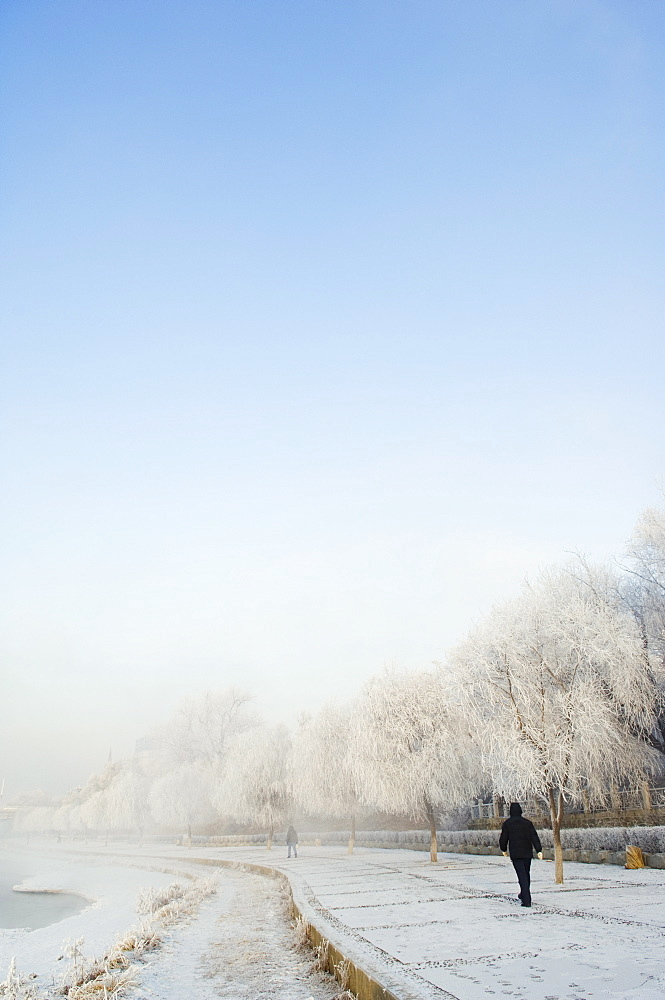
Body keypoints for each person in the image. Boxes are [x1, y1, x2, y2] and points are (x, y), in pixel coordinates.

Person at [499, 802, 543, 907]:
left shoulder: (507, 824)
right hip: (527, 853)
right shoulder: (527, 823)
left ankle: (526, 900)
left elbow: (503, 838)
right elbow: (534, 837)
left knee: (521, 875)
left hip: (516, 853)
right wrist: (538, 850)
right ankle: (524, 894)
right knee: (526, 874)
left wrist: (503, 849)